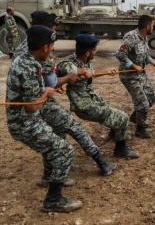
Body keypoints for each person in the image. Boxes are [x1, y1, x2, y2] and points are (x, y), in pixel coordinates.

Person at [13, 11, 116, 186]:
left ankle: (51, 175)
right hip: (36, 104)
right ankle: (101, 162)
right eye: (53, 27)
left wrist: (56, 83)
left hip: (37, 99)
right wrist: (65, 80)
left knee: (58, 132)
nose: (56, 29)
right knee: (72, 126)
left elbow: (47, 80)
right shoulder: (34, 54)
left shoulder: (24, 49)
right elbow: (46, 84)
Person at [6, 25, 82, 212]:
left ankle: (49, 178)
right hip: (24, 123)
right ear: (46, 47)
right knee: (65, 151)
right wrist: (46, 93)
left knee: (53, 145)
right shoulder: (29, 67)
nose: (53, 49)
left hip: (27, 120)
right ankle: (53, 200)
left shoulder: (25, 59)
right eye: (52, 45)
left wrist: (47, 90)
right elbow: (32, 107)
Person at [57, 34, 139, 159]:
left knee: (111, 110)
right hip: (83, 106)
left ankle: (115, 133)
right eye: (94, 50)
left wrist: (106, 72)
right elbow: (63, 68)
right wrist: (81, 71)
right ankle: (121, 150)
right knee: (123, 117)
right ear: (87, 52)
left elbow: (91, 74)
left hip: (92, 99)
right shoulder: (68, 63)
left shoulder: (86, 61)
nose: (96, 52)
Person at [115, 15, 155, 139]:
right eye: (152, 25)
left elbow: (145, 56)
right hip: (129, 76)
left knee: (151, 98)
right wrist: (133, 65)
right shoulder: (131, 37)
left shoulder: (144, 38)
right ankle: (139, 129)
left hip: (140, 74)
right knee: (143, 104)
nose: (153, 27)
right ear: (147, 26)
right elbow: (120, 54)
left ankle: (136, 117)